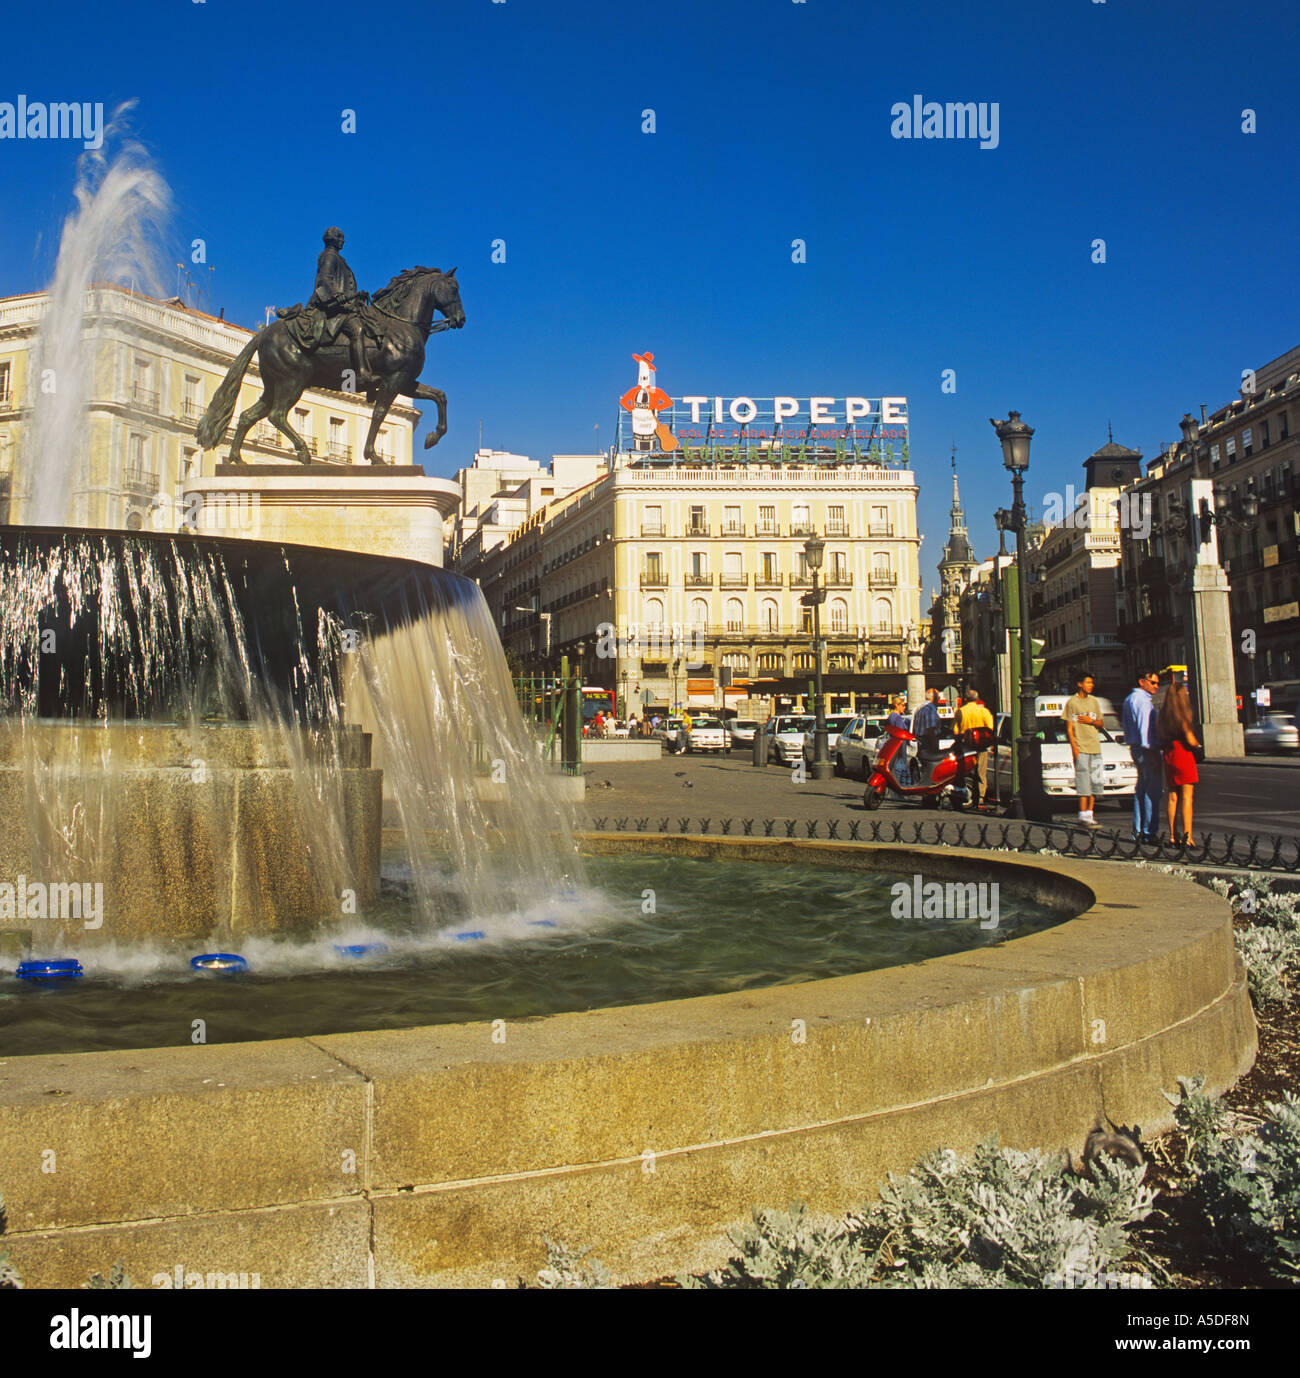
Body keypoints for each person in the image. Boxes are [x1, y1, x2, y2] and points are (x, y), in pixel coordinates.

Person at [1121, 667, 1162, 843]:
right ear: (1142, 681)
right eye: (1153, 682)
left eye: (1158, 683)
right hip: (1146, 750)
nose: (1156, 687)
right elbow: (1146, 731)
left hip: (1135, 748)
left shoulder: (1129, 699)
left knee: (1141, 790)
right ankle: (1148, 832)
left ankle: (1138, 830)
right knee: (1152, 792)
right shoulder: (1143, 701)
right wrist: (1152, 754)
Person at [1157, 680, 1200, 843]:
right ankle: (1188, 837)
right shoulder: (1182, 716)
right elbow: (1190, 739)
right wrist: (1198, 745)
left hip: (1169, 754)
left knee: (1172, 797)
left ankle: (1173, 836)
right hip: (1184, 754)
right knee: (1187, 798)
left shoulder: (1163, 716)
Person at [1062, 671, 1105, 829]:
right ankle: (1082, 814)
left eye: (1092, 683)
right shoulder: (1072, 703)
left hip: (1095, 746)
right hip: (1081, 746)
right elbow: (1069, 728)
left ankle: (1090, 814)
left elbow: (1101, 723)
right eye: (1088, 683)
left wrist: (1091, 721)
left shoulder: (1094, 701)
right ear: (1080, 684)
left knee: (1095, 780)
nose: (1091, 685)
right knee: (1083, 781)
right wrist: (1074, 747)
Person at [955, 687, 994, 808]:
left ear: (966, 699)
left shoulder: (960, 711)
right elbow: (990, 728)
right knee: (981, 772)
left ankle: (969, 795)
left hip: (966, 746)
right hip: (981, 746)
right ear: (977, 699)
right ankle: (981, 797)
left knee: (967, 771)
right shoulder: (983, 711)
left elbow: (956, 729)